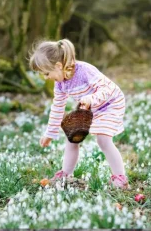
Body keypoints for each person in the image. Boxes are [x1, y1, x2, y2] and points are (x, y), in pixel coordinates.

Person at [29, 38, 128, 189]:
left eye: (47, 73)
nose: (46, 78)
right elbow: (57, 107)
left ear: (58, 66)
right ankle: (66, 174)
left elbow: (106, 90)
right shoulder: (60, 83)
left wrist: (92, 98)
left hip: (110, 103)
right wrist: (50, 133)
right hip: (89, 108)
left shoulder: (84, 70)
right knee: (72, 138)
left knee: (103, 140)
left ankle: (120, 178)